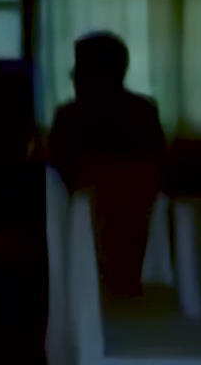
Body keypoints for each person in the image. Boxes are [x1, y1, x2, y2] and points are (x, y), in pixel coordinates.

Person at [46, 32, 167, 299]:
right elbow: (160, 168)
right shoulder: (143, 111)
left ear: (95, 72)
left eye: (78, 69)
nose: (72, 77)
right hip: (138, 247)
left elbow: (55, 178)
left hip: (79, 243)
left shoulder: (69, 117)